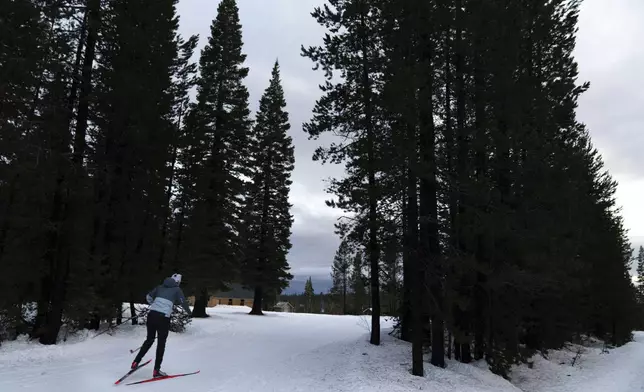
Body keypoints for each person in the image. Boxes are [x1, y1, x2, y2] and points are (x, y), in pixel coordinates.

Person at [131, 273, 192, 377]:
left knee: (149, 340)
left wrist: (153, 304)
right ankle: (156, 370)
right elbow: (183, 302)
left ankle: (135, 362)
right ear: (178, 282)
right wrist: (190, 313)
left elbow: (148, 297)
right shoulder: (177, 289)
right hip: (163, 318)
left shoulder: (159, 287)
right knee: (161, 343)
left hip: (152, 315)